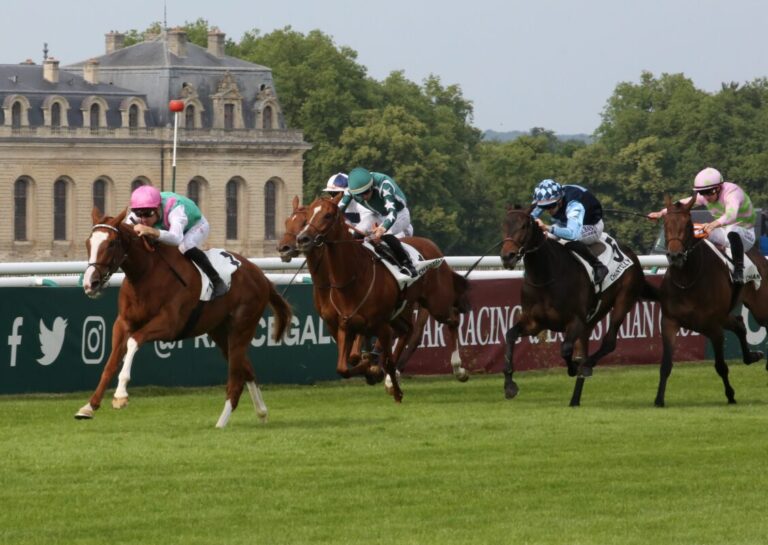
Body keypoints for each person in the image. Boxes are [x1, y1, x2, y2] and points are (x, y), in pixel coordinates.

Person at [648, 167, 756, 284]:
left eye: (710, 192)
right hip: (723, 230)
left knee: (732, 230)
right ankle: (685, 262)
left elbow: (732, 215)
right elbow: (681, 204)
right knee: (695, 229)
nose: (706, 197)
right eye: (702, 193)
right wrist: (660, 213)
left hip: (745, 234)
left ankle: (739, 271)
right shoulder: (705, 196)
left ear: (719, 188)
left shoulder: (732, 193)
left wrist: (713, 224)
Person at [127, 185, 228, 298]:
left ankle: (217, 281)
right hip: (172, 228)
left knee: (185, 246)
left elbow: (176, 239)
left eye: (147, 214)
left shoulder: (176, 210)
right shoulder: (142, 210)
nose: (143, 219)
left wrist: (151, 230)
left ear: (158, 208)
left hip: (196, 225)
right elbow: (126, 230)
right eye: (138, 214)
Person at [339, 167, 417, 276]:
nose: (364, 197)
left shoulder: (384, 184)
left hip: (399, 214)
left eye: (366, 192)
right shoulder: (351, 191)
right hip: (378, 214)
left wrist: (382, 228)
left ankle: (408, 264)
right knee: (358, 233)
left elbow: (392, 213)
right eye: (359, 194)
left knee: (386, 234)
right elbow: (337, 210)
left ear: (371, 186)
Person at [531, 178, 609, 285]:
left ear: (559, 200)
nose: (548, 210)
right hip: (565, 223)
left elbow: (572, 234)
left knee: (568, 241)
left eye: (550, 206)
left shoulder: (574, 204)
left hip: (590, 226)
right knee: (544, 240)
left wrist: (547, 227)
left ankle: (598, 266)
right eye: (544, 207)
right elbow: (529, 216)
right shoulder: (547, 198)